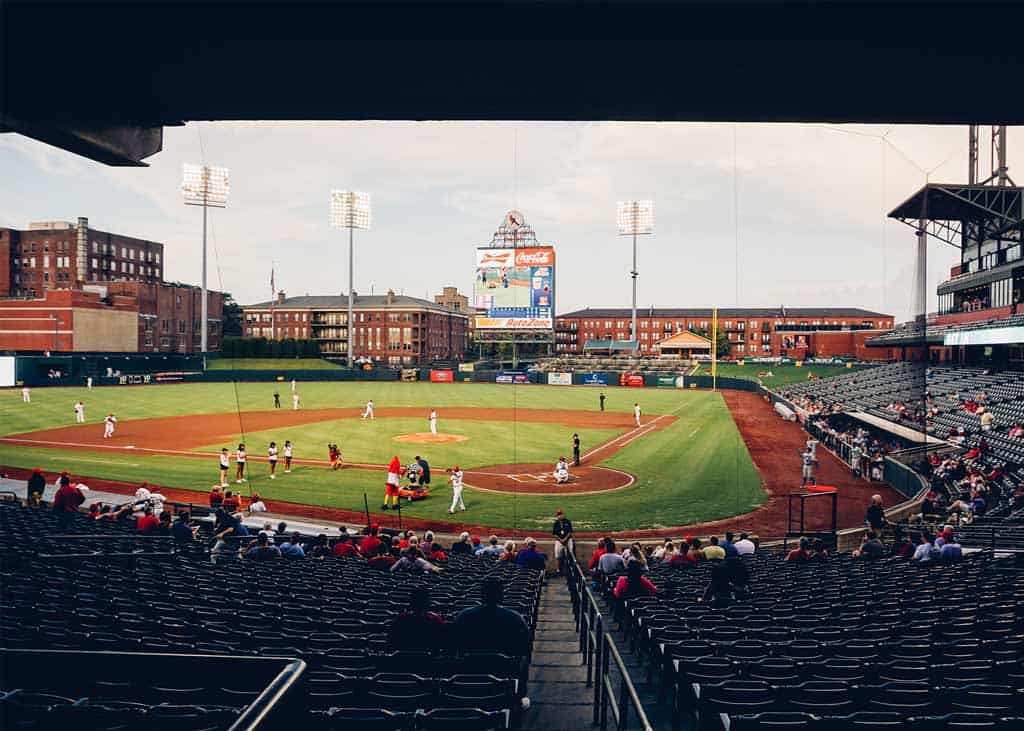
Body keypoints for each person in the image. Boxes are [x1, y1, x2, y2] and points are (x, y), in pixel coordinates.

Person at [452, 577, 530, 658]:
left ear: (482, 595)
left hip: (468, 668)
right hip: (504, 668)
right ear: (501, 596)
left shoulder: (463, 616)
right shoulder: (515, 618)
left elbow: (453, 644)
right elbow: (524, 647)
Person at [388, 587, 447, 651]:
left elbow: (391, 642)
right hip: (429, 660)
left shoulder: (400, 620)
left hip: (403, 659)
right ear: (428, 603)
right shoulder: (436, 620)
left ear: (411, 603)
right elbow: (443, 642)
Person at [552, 509, 573, 574]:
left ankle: (571, 567)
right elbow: (554, 534)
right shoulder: (556, 523)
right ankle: (558, 569)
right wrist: (561, 540)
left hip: (568, 539)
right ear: (557, 516)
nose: (560, 516)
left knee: (571, 552)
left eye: (561, 514)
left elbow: (570, 532)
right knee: (557, 554)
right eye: (559, 515)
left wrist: (565, 539)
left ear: (563, 515)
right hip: (559, 540)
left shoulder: (567, 522)